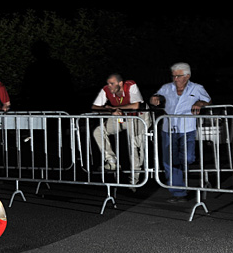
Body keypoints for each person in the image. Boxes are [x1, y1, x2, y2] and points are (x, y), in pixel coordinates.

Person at [149, 62, 212, 202]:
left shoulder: (197, 88)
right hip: (168, 128)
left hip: (187, 128)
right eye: (173, 76)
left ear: (187, 76)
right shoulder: (167, 88)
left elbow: (208, 100)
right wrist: (155, 99)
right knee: (170, 161)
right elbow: (156, 97)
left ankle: (181, 170)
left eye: (178, 76)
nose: (175, 79)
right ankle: (178, 193)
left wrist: (200, 104)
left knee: (187, 158)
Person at [91, 73, 146, 173]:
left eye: (112, 83)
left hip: (137, 117)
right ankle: (112, 161)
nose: (109, 86)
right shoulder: (106, 89)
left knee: (135, 145)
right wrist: (111, 111)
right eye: (108, 83)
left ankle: (135, 178)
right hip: (121, 118)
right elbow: (94, 107)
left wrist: (114, 108)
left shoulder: (131, 85)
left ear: (120, 83)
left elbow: (136, 106)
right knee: (98, 131)